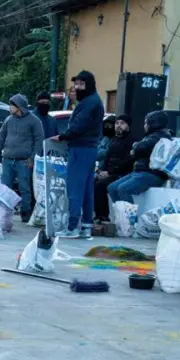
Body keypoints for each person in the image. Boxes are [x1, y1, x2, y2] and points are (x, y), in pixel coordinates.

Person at [54, 70, 103, 239]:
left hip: (81, 149)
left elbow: (80, 126)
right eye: (76, 84)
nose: (77, 87)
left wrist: (63, 136)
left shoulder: (89, 103)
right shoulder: (93, 101)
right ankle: (86, 226)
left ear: (89, 85)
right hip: (88, 149)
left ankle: (72, 227)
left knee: (75, 188)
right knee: (86, 189)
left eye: (82, 84)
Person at [0, 94, 44, 224]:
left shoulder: (34, 121)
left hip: (24, 161)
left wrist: (33, 158)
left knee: (24, 188)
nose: (10, 107)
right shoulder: (9, 120)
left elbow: (39, 141)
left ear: (19, 106)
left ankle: (26, 212)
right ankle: (3, 212)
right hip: (8, 159)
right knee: (5, 188)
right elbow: (1, 137)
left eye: (12, 105)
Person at [107, 111, 173, 206]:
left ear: (154, 124)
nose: (144, 126)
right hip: (139, 172)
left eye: (147, 123)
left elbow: (139, 147)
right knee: (112, 188)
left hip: (151, 174)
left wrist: (135, 147)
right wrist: (135, 149)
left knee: (123, 189)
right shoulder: (151, 135)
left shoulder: (160, 136)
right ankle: (122, 215)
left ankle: (131, 219)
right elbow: (136, 151)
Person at [94, 115, 134, 221]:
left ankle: (103, 217)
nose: (119, 126)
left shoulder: (131, 141)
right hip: (109, 173)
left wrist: (109, 172)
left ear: (128, 125)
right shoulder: (114, 140)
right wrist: (101, 172)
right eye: (117, 123)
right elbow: (107, 158)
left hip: (122, 174)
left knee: (100, 186)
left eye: (122, 123)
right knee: (93, 182)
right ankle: (98, 215)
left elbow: (127, 162)